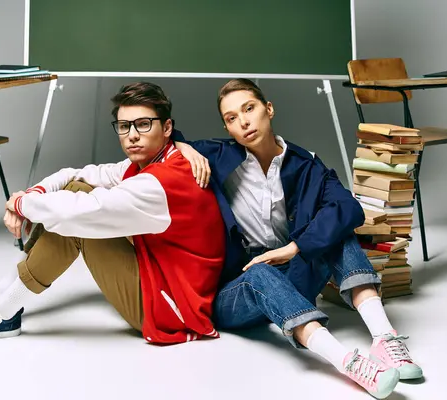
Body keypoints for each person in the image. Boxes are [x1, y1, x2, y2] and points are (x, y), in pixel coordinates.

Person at [173, 79, 423, 399]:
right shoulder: (217, 155)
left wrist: (294, 248)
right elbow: (167, 138)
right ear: (227, 126)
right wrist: (184, 146)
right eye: (232, 118)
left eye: (249, 109)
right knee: (259, 272)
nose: (244, 122)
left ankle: (384, 338)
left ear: (269, 109)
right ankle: (348, 362)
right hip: (235, 292)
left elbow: (348, 208)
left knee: (337, 233)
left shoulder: (306, 164)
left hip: (290, 274)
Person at [0, 82, 225, 345]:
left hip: (171, 308)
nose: (132, 136)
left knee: (76, 216)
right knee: (75, 188)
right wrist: (30, 195)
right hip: (158, 276)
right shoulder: (147, 162)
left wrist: (19, 205)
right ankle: (0, 295)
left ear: (168, 127)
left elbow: (79, 213)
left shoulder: (164, 180)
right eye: (124, 126)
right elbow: (77, 174)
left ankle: (1, 312)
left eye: (143, 124)